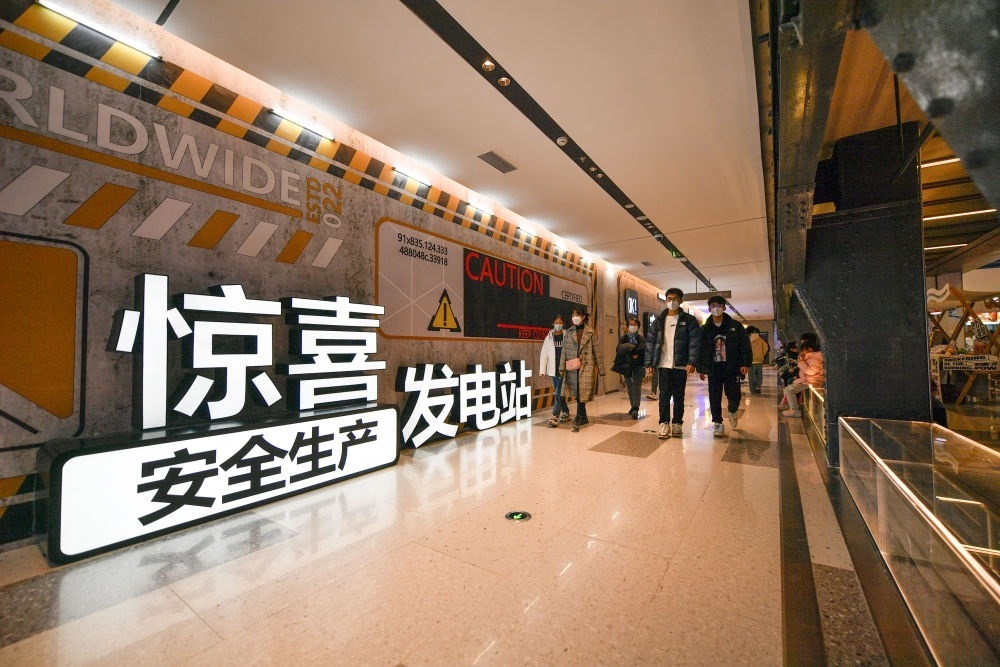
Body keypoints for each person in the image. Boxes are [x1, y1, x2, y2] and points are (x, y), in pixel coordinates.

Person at [644, 288, 700, 439]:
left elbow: (694, 343)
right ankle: (664, 423)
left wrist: (692, 361)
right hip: (663, 364)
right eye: (669, 298)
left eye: (675, 299)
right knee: (663, 396)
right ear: (665, 300)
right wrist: (649, 363)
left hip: (680, 365)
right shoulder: (659, 320)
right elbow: (650, 342)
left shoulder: (689, 320)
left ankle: (677, 424)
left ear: (681, 301)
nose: (672, 301)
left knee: (679, 396)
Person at [696, 295, 751, 437]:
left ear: (724, 308)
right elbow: (700, 349)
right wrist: (701, 368)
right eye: (713, 306)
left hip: (731, 366)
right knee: (714, 396)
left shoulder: (735, 326)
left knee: (734, 394)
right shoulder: (705, 329)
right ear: (709, 309)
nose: (716, 308)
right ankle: (718, 423)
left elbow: (744, 345)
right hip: (713, 368)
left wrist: (745, 363)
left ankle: (732, 410)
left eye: (719, 305)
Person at [558, 306, 605, 432]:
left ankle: (578, 418)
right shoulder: (569, 333)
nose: (575, 318)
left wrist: (601, 369)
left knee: (582, 392)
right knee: (577, 392)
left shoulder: (591, 332)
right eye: (573, 315)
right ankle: (584, 417)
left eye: (577, 315)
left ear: (583, 317)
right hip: (573, 366)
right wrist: (561, 369)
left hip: (587, 366)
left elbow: (596, 350)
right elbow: (564, 351)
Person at [780, 332, 825, 417]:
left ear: (809, 348)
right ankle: (789, 407)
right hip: (808, 379)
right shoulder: (811, 355)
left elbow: (810, 371)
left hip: (811, 381)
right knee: (788, 388)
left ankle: (794, 410)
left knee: (789, 389)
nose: (802, 352)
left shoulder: (814, 357)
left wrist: (801, 361)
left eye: (803, 350)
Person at [539, 315, 570, 427]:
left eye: (560, 322)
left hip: (564, 369)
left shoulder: (568, 335)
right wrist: (542, 369)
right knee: (559, 392)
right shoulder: (548, 337)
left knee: (558, 392)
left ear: (563, 324)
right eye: (556, 322)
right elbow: (544, 354)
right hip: (553, 370)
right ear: (553, 324)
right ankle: (566, 412)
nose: (558, 324)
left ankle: (554, 416)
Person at [615, 317, 646, 419]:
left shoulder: (641, 339)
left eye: (635, 324)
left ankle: (636, 408)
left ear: (638, 326)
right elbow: (618, 349)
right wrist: (631, 350)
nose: (632, 326)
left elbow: (641, 351)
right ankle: (633, 406)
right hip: (627, 366)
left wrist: (628, 351)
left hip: (638, 366)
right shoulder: (624, 338)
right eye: (631, 324)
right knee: (629, 387)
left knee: (636, 386)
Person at [747, 326, 770, 394]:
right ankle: (758, 387)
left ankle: (752, 390)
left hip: (750, 360)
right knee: (758, 374)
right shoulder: (760, 339)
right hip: (759, 360)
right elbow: (766, 348)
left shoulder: (747, 339)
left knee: (751, 375)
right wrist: (762, 354)